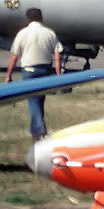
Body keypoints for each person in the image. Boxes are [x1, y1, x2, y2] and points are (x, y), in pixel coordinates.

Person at [4, 8, 64, 141]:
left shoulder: (22, 33)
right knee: (39, 101)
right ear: (41, 18)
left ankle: (40, 131)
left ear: (28, 19)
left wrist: (9, 75)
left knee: (33, 102)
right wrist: (58, 73)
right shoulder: (49, 33)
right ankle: (36, 133)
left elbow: (14, 56)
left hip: (29, 71)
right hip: (45, 70)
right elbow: (57, 53)